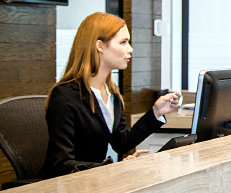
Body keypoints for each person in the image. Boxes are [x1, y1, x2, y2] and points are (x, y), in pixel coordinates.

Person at [41, 12, 180, 179]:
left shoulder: (112, 93)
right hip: (64, 189)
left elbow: (121, 143)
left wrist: (156, 112)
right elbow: (61, 163)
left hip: (93, 185)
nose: (130, 49)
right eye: (123, 42)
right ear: (100, 46)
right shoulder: (65, 96)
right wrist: (111, 169)